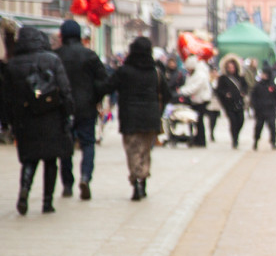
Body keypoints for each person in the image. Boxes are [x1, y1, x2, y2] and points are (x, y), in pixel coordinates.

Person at [3, 27, 73, 215]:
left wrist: (10, 122)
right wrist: (68, 113)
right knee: (50, 160)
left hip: (25, 120)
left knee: (29, 159)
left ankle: (24, 190)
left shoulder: (13, 64)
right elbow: (65, 90)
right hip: (52, 117)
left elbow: (6, 97)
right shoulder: (52, 59)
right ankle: (47, 202)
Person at [99, 37, 171, 201]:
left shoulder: (124, 71)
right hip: (150, 118)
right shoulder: (155, 72)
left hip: (130, 117)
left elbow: (107, 87)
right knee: (145, 150)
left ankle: (136, 181)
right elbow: (167, 95)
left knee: (132, 150)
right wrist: (157, 110)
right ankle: (143, 179)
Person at [56, 19, 107, 200]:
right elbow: (104, 81)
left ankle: (67, 184)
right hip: (86, 107)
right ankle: (85, 177)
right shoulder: (90, 55)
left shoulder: (56, 55)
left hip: (63, 108)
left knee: (65, 147)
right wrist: (96, 98)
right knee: (88, 144)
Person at [216, 54, 249, 149]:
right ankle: (234, 139)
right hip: (229, 104)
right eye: (229, 67)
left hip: (239, 102)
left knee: (241, 121)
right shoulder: (223, 78)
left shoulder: (240, 77)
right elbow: (219, 90)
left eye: (232, 67)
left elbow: (246, 87)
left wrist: (243, 92)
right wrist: (226, 94)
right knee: (233, 121)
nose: (231, 69)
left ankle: (236, 135)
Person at [179, 54, 212, 147]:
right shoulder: (193, 73)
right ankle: (197, 138)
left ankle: (201, 140)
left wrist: (182, 91)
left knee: (199, 120)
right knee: (196, 121)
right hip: (195, 100)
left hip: (201, 100)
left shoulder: (200, 74)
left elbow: (194, 87)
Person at [250, 64, 276, 150]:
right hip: (260, 111)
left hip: (270, 110)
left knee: (272, 127)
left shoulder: (273, 86)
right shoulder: (258, 86)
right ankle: (256, 141)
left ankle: (273, 142)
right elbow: (253, 97)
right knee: (258, 127)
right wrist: (255, 107)